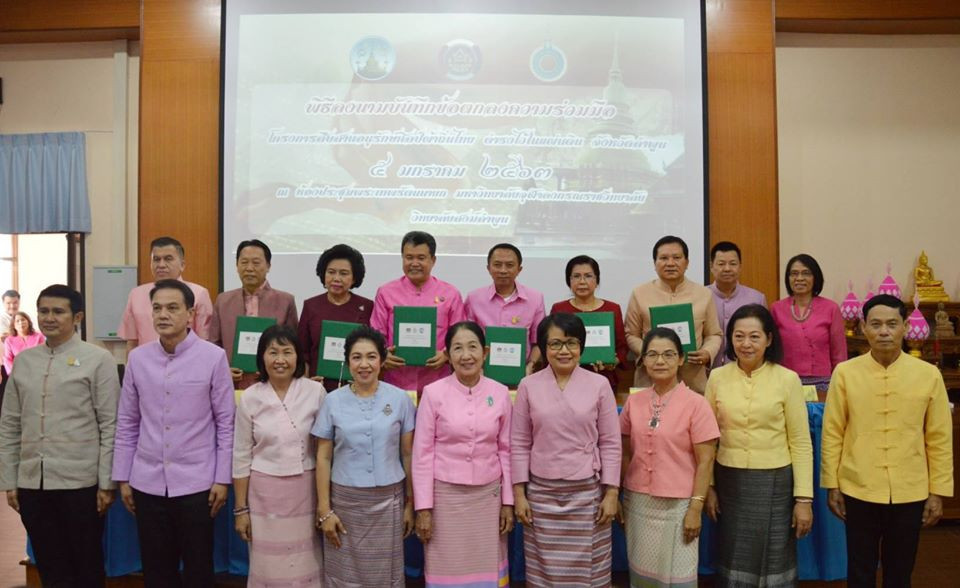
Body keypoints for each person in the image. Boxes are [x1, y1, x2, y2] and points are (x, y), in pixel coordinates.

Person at [821, 294, 953, 588]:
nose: (884, 331)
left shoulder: (928, 375)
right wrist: (832, 484)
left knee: (900, 573)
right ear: (864, 328)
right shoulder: (845, 373)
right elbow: (833, 432)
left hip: (910, 489)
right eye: (876, 324)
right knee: (859, 571)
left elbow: (939, 438)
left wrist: (938, 492)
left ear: (905, 327)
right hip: (859, 487)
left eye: (892, 324)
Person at [113, 279, 235, 587]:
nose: (163, 314)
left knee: (197, 568)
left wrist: (222, 479)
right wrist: (123, 477)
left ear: (190, 313)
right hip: (147, 481)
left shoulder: (213, 357)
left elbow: (226, 423)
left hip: (198, 483)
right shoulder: (138, 359)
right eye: (157, 308)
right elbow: (127, 422)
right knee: (156, 569)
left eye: (172, 308)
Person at [0, 284, 120, 587]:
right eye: (43, 311)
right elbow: (9, 424)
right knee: (50, 566)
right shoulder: (25, 362)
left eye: (58, 311)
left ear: (76, 316)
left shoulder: (97, 359)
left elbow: (111, 424)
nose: (49, 318)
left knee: (86, 565)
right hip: (32, 483)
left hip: (81, 484)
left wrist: (107, 483)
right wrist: (10, 480)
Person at [705, 304, 813, 587]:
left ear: (769, 339)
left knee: (774, 554)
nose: (746, 344)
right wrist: (709, 486)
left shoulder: (787, 379)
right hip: (729, 480)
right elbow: (708, 439)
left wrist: (803, 500)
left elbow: (801, 442)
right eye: (739, 336)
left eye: (754, 337)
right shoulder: (717, 377)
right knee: (734, 553)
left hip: (776, 481)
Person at [512, 313, 621, 587]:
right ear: (544, 348)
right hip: (541, 496)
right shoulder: (528, 386)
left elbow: (610, 442)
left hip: (588, 495)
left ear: (581, 347)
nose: (564, 351)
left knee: (591, 574)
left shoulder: (599, 384)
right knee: (543, 573)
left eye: (571, 343)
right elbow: (519, 442)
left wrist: (611, 492)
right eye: (555, 344)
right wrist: (519, 494)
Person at [312, 325, 416, 587]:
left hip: (388, 502)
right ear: (347, 362)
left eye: (371, 356)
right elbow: (323, 458)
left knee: (386, 576)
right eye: (356, 357)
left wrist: (410, 504)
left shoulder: (401, 399)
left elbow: (408, 454)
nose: (364, 364)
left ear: (382, 360)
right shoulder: (332, 401)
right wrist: (324, 510)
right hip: (345, 502)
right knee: (343, 574)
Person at [413, 321, 514, 588]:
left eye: (472, 347)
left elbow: (506, 450)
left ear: (486, 352)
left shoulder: (500, 393)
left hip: (487, 496)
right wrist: (423, 508)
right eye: (457, 348)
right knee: (445, 565)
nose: (466, 355)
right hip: (445, 497)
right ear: (447, 355)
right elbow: (422, 454)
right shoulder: (433, 394)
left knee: (487, 569)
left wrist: (508, 502)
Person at [620, 327, 719, 587]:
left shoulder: (696, 404)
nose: (660, 361)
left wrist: (696, 507)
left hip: (680, 507)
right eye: (652, 354)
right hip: (638, 502)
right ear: (642, 360)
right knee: (642, 575)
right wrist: (619, 495)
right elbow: (626, 452)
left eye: (668, 354)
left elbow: (706, 461)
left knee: (678, 574)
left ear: (681, 359)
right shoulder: (635, 402)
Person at [233, 325, 326, 586]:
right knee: (268, 563)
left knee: (305, 560)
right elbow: (240, 455)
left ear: (298, 357)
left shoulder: (315, 392)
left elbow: (325, 450)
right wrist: (241, 509)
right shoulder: (250, 397)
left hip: (306, 489)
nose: (280, 360)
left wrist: (325, 502)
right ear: (261, 357)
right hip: (264, 494)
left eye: (287, 352)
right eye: (272, 352)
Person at [371, 231, 465, 394]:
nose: (414, 263)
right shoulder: (385, 292)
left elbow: (460, 337)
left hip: (439, 383)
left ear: (433, 260)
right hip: (394, 382)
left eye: (421, 258)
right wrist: (383, 354)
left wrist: (446, 355)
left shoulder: (451, 294)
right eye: (409, 257)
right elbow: (376, 334)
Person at [625, 235, 722, 393]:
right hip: (650, 380)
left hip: (693, 379)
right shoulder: (640, 294)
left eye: (676, 257)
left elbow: (714, 334)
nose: (670, 263)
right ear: (655, 264)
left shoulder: (704, 294)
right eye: (663, 258)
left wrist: (707, 352)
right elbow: (630, 334)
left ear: (687, 262)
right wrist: (651, 352)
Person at [211, 239, 299, 386]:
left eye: (256, 262)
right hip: (231, 382)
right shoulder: (223, 301)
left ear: (268, 266)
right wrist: (223, 369)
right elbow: (213, 343)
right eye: (244, 262)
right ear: (237, 266)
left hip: (273, 382)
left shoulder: (285, 301)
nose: (249, 268)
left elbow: (293, 345)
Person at [298, 244, 373, 390]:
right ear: (323, 274)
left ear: (354, 278)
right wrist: (307, 383)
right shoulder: (311, 306)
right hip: (318, 386)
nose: (336, 278)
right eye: (331, 272)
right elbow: (303, 352)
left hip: (357, 387)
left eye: (344, 273)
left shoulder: (367, 307)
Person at [118, 236, 214, 350]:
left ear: (182, 265)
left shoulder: (199, 293)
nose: (161, 265)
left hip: (186, 364)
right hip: (146, 364)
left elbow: (204, 342)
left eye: (168, 259)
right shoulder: (136, 295)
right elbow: (132, 342)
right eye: (156, 259)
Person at [550, 255, 628, 392]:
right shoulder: (559, 309)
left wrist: (612, 362)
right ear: (569, 281)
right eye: (576, 276)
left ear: (597, 280)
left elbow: (622, 347)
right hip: (566, 379)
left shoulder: (612, 309)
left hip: (603, 377)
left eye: (588, 276)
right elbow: (551, 344)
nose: (582, 281)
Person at [770, 253, 846, 392]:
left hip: (823, 383)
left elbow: (839, 353)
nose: (799, 278)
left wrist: (839, 384)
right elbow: (771, 348)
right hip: (786, 381)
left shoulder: (831, 308)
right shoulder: (776, 308)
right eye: (794, 274)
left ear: (815, 277)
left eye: (806, 273)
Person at [464, 243, 545, 373]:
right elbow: (466, 338)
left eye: (510, 265)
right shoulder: (474, 298)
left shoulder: (535, 298)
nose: (503, 270)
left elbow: (538, 341)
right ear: (488, 268)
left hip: (521, 373)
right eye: (497, 265)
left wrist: (531, 364)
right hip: (481, 373)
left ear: (519, 269)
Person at [707, 241, 767, 368]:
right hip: (706, 372)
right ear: (711, 266)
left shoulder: (756, 298)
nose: (727, 268)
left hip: (745, 371)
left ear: (740, 266)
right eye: (721, 264)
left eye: (733, 264)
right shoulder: (701, 296)